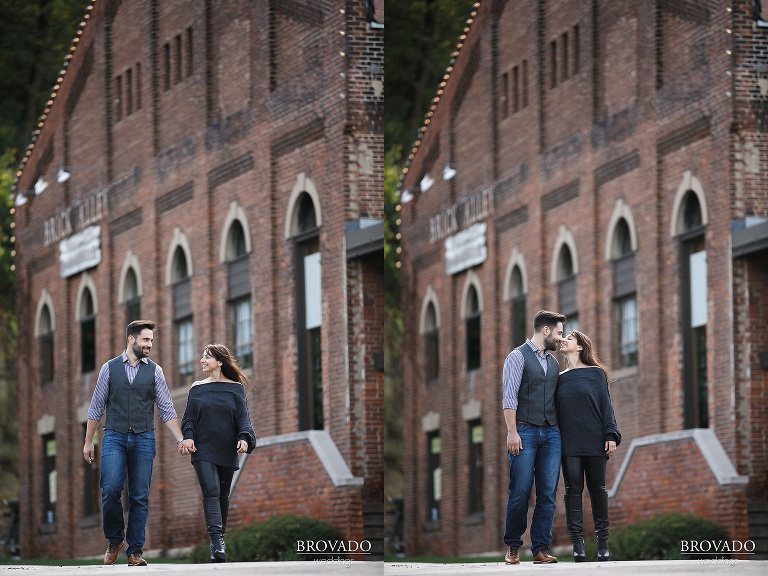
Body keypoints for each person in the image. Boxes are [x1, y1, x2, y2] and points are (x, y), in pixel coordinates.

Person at [82, 320, 185, 566]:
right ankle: (115, 539)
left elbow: (166, 408)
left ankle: (135, 550)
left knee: (140, 496)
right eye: (145, 340)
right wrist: (88, 442)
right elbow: (96, 407)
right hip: (114, 437)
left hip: (144, 437)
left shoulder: (155, 371)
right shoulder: (109, 369)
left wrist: (180, 438)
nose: (150, 344)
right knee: (110, 489)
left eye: (151, 340)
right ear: (131, 339)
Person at [178, 343, 256, 563]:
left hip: (226, 448)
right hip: (202, 448)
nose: (202, 360)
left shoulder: (236, 389)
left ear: (219, 362)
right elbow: (189, 419)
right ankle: (216, 542)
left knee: (222, 494)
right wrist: (189, 436)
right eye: (202, 356)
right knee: (211, 490)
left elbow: (243, 419)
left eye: (207, 357)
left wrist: (243, 438)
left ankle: (220, 538)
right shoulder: (196, 388)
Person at [502, 310, 566, 565]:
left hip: (551, 433)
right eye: (559, 333)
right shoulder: (517, 357)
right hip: (524, 431)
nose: (561, 339)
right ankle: (513, 546)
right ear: (546, 330)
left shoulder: (554, 363)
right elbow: (509, 398)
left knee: (548, 493)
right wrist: (512, 432)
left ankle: (540, 548)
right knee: (520, 490)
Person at [557, 330, 621, 562]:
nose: (563, 340)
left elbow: (606, 407)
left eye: (569, 338)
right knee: (572, 491)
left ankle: (603, 544)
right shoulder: (559, 377)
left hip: (595, 440)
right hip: (569, 443)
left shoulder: (596, 374)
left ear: (581, 346)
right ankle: (578, 545)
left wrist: (611, 434)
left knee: (597, 490)